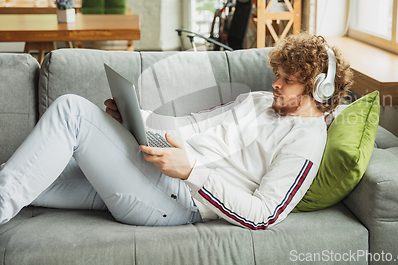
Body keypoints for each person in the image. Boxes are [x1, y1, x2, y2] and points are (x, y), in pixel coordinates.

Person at [0, 33, 353, 229]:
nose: (275, 84)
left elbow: (265, 214)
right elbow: (194, 124)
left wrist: (191, 171)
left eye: (287, 80)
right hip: (149, 174)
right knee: (25, 174)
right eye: (277, 74)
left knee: (71, 110)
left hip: (177, 201)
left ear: (319, 89)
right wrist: (136, 117)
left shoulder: (305, 142)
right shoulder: (259, 100)